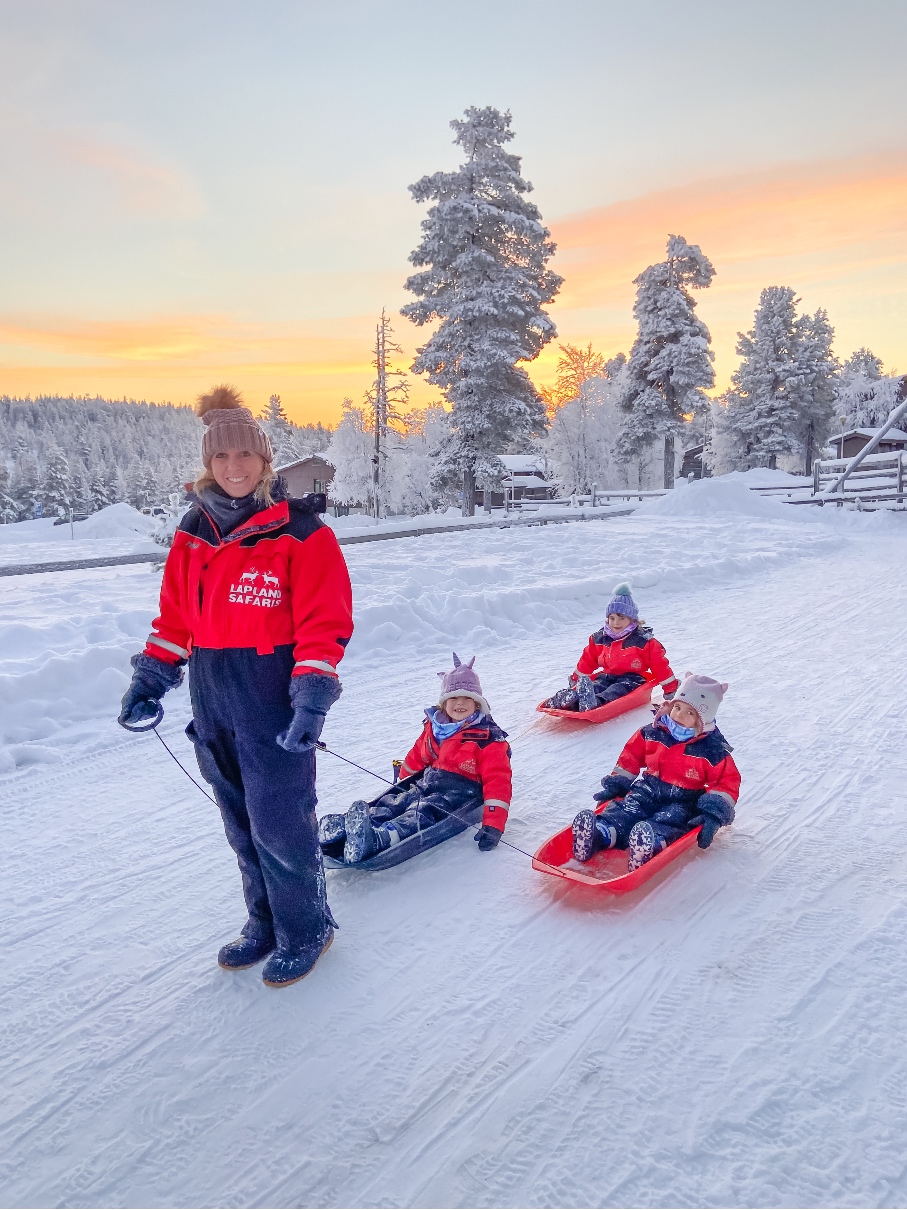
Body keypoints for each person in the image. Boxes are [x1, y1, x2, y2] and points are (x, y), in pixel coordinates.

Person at [117, 385, 353, 988]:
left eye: (245, 456)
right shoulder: (193, 532)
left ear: (265, 460)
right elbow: (174, 621)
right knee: (240, 821)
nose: (234, 468)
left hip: (271, 693)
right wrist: (150, 680)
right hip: (211, 693)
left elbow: (324, 626)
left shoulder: (301, 534)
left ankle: (307, 927)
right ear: (208, 465)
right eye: (221, 458)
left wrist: (311, 703)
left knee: (281, 822)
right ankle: (265, 922)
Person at [318, 654, 512, 864]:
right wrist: (401, 783)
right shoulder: (435, 727)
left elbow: (498, 783)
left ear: (478, 703)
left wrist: (493, 824)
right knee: (396, 801)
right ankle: (347, 827)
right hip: (427, 781)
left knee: (422, 811)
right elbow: (417, 756)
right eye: (454, 698)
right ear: (444, 703)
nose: (460, 704)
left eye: (467, 698)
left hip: (459, 793)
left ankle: (379, 839)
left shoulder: (488, 739)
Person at [571, 673, 740, 871]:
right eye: (677, 707)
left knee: (672, 819)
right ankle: (600, 834)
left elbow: (726, 782)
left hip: (684, 800)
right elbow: (629, 759)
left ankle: (648, 844)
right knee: (628, 808)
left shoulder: (712, 750)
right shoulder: (653, 732)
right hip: (649, 788)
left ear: (703, 720)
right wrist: (616, 785)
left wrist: (714, 813)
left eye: (690, 713)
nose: (679, 715)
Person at [544, 582, 678, 712]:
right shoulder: (600, 638)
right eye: (612, 618)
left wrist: (671, 689)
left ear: (632, 620)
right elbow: (588, 660)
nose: (616, 623)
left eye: (621, 618)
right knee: (596, 685)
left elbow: (660, 666)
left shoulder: (644, 642)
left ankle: (594, 703)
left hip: (633, 680)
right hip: (607, 676)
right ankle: (571, 700)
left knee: (615, 690)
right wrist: (576, 680)